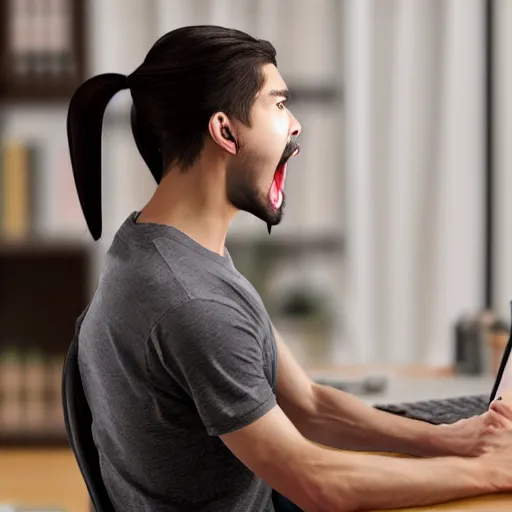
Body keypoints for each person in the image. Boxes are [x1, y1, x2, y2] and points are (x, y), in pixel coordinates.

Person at [67, 25, 512, 512]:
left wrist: (453, 439)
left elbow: (309, 405)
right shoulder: (191, 301)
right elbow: (315, 481)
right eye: (278, 105)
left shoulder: (155, 249)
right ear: (225, 131)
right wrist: (485, 470)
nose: (295, 124)